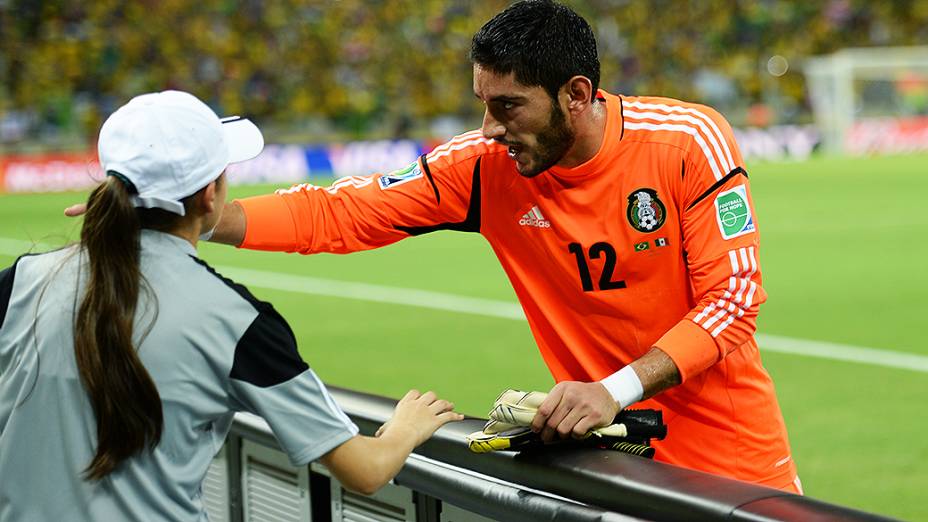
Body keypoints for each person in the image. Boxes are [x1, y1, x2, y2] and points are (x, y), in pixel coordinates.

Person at [67, 1, 799, 493]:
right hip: (604, 450)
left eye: (507, 106)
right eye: (482, 102)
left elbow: (733, 299)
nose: (487, 126)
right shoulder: (484, 167)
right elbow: (346, 213)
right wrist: (188, 216)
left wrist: (613, 387)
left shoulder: (685, 143)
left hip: (729, 455)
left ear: (576, 95)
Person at [1, 91, 462, 521]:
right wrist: (407, 426)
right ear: (209, 195)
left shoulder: (20, 280)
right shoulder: (237, 319)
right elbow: (365, 471)